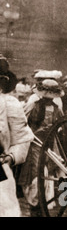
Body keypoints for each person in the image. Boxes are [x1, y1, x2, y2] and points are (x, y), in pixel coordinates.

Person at [18, 72, 65, 216]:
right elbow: (22, 121)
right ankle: (35, 203)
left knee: (56, 170)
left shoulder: (57, 109)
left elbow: (62, 125)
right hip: (35, 143)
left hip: (50, 143)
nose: (48, 99)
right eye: (46, 96)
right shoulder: (34, 105)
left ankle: (59, 201)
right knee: (37, 172)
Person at [0, 55, 34, 217]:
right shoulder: (34, 101)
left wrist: (11, 157)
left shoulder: (8, 104)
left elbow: (23, 137)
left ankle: (62, 203)